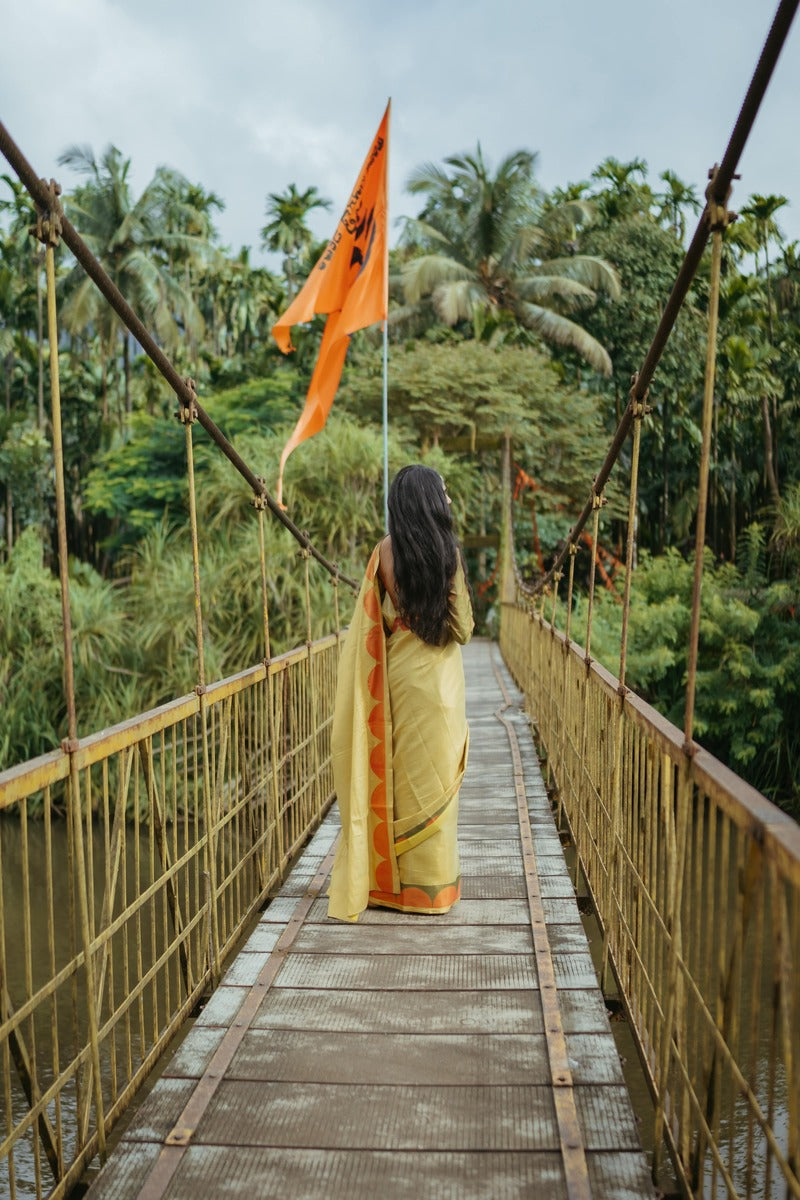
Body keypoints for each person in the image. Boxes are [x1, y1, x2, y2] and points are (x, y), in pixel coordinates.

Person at [327, 465, 474, 922]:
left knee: (404, 776)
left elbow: (371, 624)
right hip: (442, 686)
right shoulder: (449, 552)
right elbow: (464, 629)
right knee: (437, 780)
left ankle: (394, 888)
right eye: (444, 494)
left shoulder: (384, 553)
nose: (448, 501)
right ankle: (434, 888)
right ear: (429, 501)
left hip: (401, 681)